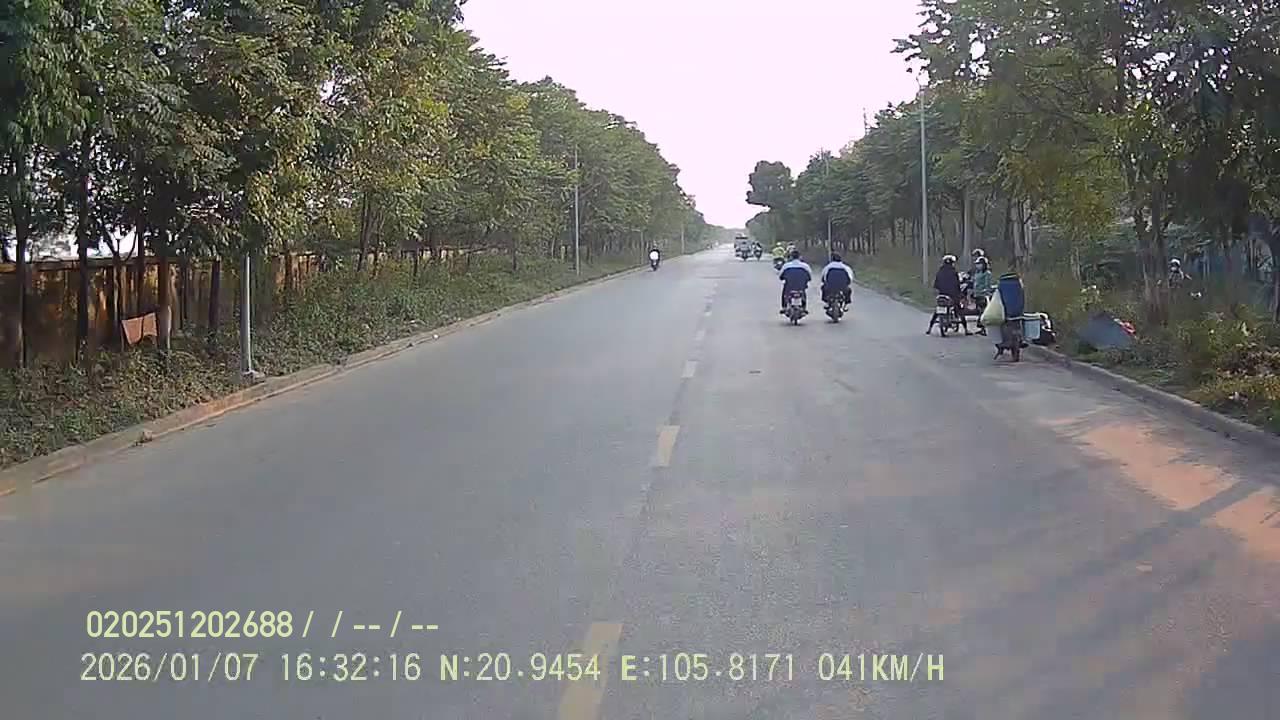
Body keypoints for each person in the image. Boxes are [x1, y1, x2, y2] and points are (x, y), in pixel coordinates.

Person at [929, 254, 970, 335]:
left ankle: (929, 328)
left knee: (937, 311)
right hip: (952, 296)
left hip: (941, 295)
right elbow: (957, 285)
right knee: (959, 309)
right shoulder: (954, 272)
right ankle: (966, 329)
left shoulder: (940, 272)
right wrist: (960, 294)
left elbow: (936, 284)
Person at [778, 249, 813, 314]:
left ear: (791, 257)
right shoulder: (805, 266)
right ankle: (804, 307)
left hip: (789, 287)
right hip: (801, 286)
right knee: (803, 293)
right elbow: (810, 277)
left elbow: (780, 276)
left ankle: (784, 307)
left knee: (784, 293)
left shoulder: (786, 266)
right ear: (800, 257)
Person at [970, 256, 994, 336]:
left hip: (983, 295)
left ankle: (984, 328)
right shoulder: (977, 273)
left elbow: (988, 285)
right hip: (977, 294)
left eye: (979, 264)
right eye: (977, 264)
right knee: (980, 311)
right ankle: (982, 329)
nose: (978, 265)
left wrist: (985, 291)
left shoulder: (987, 273)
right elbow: (975, 283)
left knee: (983, 311)